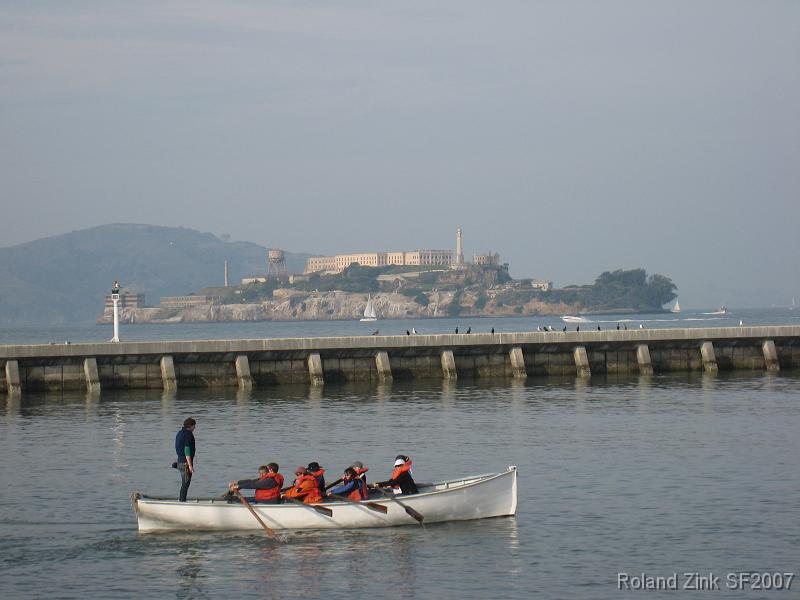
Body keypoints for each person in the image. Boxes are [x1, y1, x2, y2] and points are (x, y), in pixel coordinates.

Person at [175, 417, 196, 502]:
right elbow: (186, 449)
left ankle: (182, 500)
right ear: (190, 426)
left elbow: (178, 446)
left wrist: (179, 459)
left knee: (184, 483)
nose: (195, 428)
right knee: (185, 484)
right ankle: (182, 502)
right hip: (185, 463)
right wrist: (190, 465)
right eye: (194, 426)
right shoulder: (188, 434)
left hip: (180, 462)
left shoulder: (179, 433)